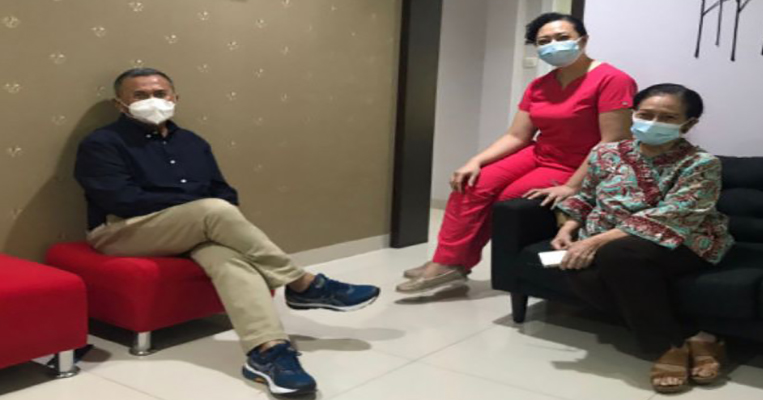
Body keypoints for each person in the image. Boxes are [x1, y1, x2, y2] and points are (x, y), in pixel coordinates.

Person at [74, 68, 381, 396]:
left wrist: (199, 209)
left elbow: (223, 191)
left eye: (160, 94)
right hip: (122, 231)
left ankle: (268, 351)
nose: (153, 100)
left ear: (175, 98)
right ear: (120, 103)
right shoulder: (102, 143)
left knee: (229, 257)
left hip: (190, 228)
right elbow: (122, 200)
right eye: (140, 95)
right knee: (213, 210)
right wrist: (197, 206)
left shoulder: (192, 142)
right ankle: (302, 283)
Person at [396, 12, 638, 294]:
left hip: (576, 164)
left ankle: (454, 264)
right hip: (540, 153)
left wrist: (572, 186)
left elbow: (612, 141)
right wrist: (475, 161)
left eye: (562, 38)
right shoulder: (539, 85)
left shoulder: (613, 79)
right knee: (471, 184)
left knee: (505, 201)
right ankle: (447, 261)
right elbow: (517, 136)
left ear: (582, 41)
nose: (553, 45)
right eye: (544, 41)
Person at [553, 83, 734, 393]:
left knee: (617, 255)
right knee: (578, 271)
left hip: (686, 240)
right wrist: (567, 228)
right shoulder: (605, 153)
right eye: (646, 115)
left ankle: (667, 346)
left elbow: (675, 214)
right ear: (633, 114)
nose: (653, 123)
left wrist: (595, 241)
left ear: (688, 124)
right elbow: (586, 196)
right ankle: (697, 337)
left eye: (667, 117)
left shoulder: (701, 164)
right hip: (613, 240)